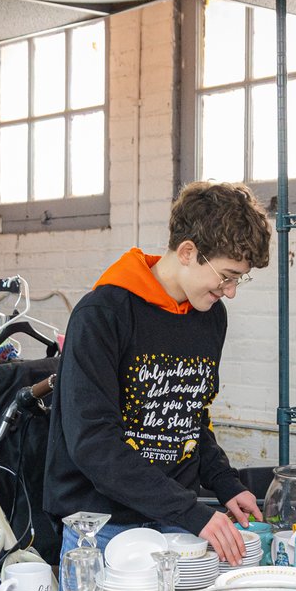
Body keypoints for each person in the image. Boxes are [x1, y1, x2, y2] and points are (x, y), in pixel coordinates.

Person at [45, 181, 271, 567]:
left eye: (239, 279)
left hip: (175, 522)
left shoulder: (209, 317)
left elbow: (189, 416)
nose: (231, 291)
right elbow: (94, 444)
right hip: (104, 527)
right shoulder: (102, 315)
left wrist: (225, 483)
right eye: (227, 276)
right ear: (188, 252)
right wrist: (193, 512)